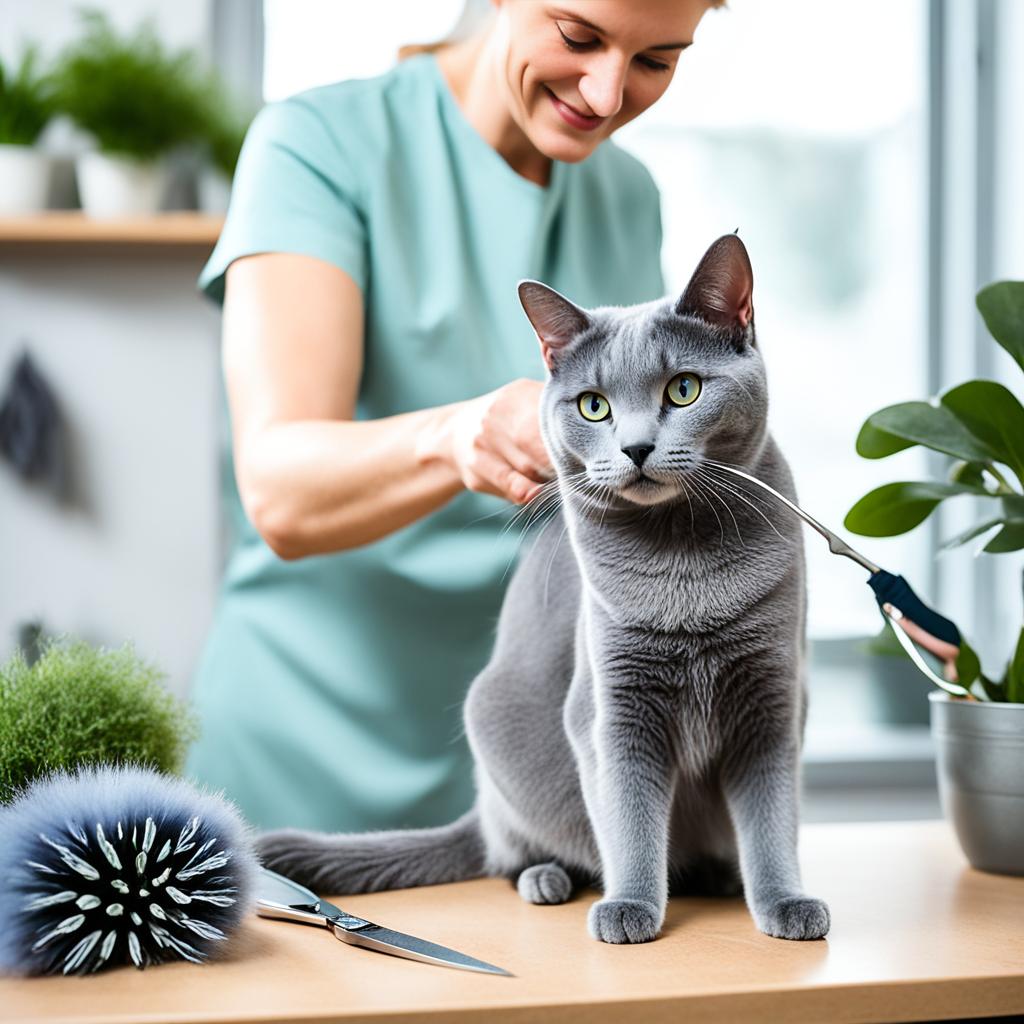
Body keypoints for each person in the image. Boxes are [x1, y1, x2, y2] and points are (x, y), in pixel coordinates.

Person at [185, 0, 722, 832]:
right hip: (304, 757)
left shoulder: (627, 195)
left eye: (656, 60)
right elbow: (280, 494)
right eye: (578, 36)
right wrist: (454, 435)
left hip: (534, 772)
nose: (608, 92)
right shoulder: (318, 145)